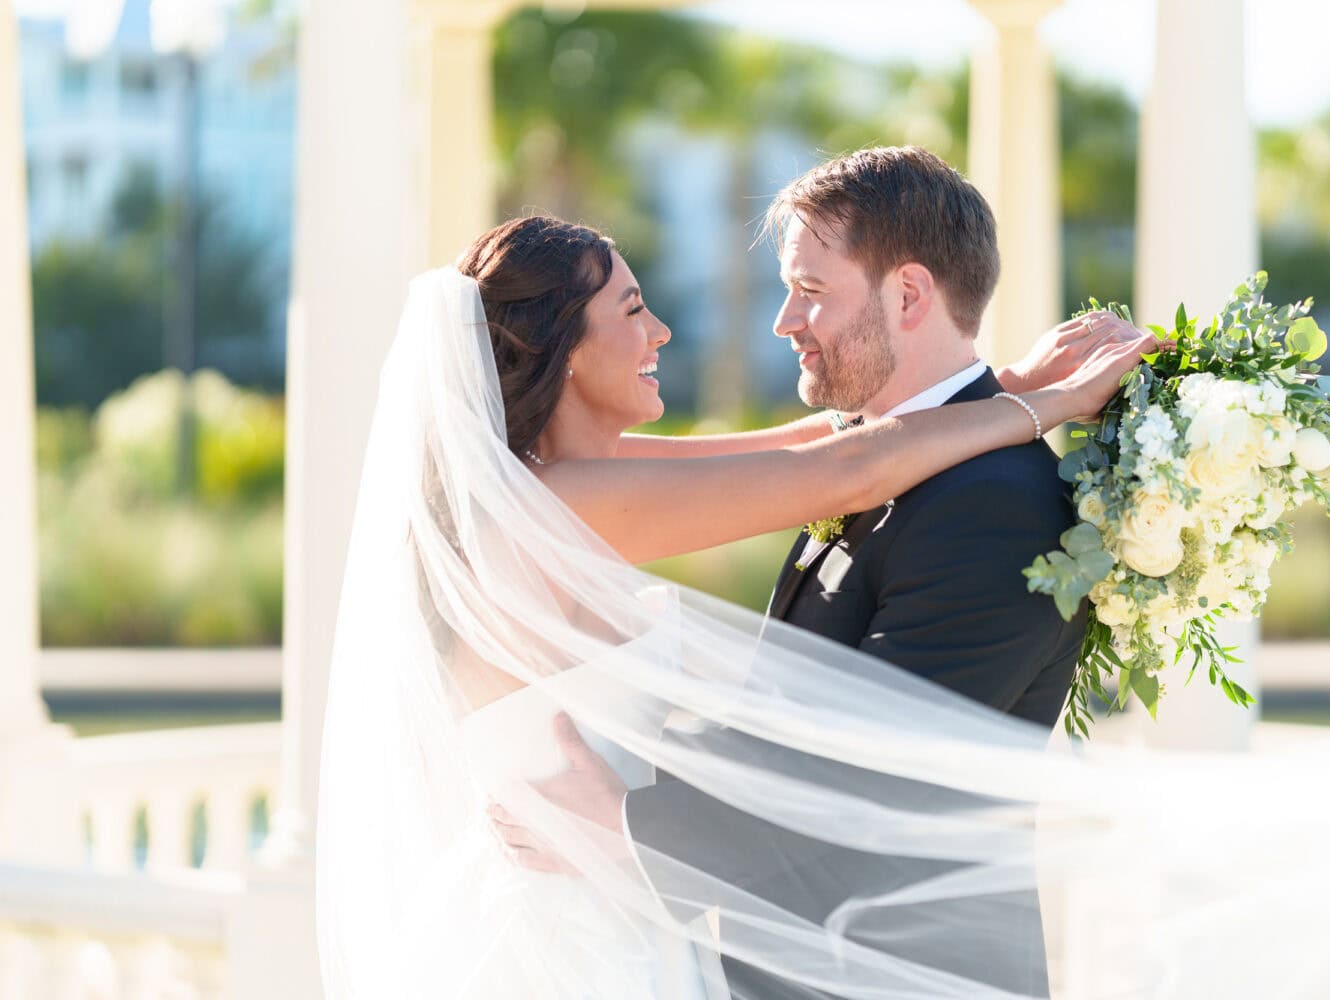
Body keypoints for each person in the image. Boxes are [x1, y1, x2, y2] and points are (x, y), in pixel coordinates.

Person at [315, 206, 1148, 1000]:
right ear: (562, 345)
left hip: (623, 897)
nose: (661, 333)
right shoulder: (551, 507)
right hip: (567, 921)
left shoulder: (559, 484)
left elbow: (818, 442)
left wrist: (998, 385)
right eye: (634, 310)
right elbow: (842, 475)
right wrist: (1048, 407)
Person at [495, 146, 1103, 998]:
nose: (783, 320)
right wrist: (1017, 399)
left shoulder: (994, 499)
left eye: (810, 292)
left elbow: (869, 767)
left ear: (910, 295)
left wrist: (628, 828)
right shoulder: (866, 466)